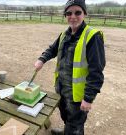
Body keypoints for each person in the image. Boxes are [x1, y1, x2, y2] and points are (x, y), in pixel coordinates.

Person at [34, 0, 105, 135]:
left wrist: (88, 98)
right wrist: (42, 59)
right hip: (62, 88)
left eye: (77, 12)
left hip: (78, 95)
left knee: (76, 124)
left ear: (84, 13)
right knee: (66, 116)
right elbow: (52, 49)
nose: (73, 16)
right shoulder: (64, 34)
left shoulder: (92, 37)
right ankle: (67, 131)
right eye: (69, 13)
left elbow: (96, 71)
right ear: (65, 15)